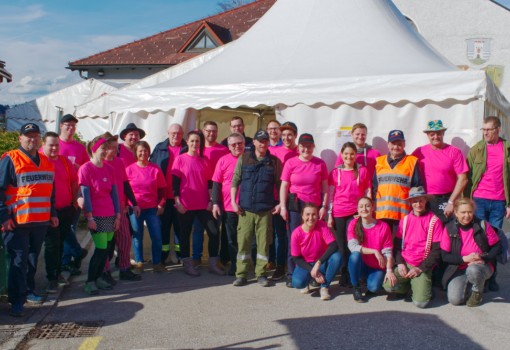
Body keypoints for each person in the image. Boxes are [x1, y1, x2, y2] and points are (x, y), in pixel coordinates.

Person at [0, 123, 58, 317]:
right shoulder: (10, 159)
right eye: (28, 136)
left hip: (40, 221)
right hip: (17, 222)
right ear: (20, 138)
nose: (32, 139)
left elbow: (51, 191)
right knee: (18, 262)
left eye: (35, 136)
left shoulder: (46, 160)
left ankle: (29, 290)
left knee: (32, 259)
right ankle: (16, 301)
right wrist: (4, 217)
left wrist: (53, 214)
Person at [231, 130, 283, 287]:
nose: (263, 143)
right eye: (260, 140)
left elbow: (280, 185)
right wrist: (233, 202)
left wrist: (281, 203)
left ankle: (261, 274)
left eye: (266, 140)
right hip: (245, 210)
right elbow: (235, 181)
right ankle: (241, 274)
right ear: (253, 142)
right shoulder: (244, 158)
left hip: (265, 211)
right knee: (244, 243)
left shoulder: (274, 161)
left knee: (263, 244)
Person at [466, 115, 510, 291]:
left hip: (499, 202)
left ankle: (491, 277)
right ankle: (478, 276)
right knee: (478, 239)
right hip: (479, 201)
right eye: (483, 130)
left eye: (488, 130)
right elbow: (467, 177)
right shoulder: (476, 149)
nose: (485, 133)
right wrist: (467, 201)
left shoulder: (507, 148)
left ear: (498, 129)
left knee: (495, 241)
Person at [280, 133, 329, 287]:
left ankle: (314, 273)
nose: (306, 149)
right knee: (294, 239)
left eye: (309, 146)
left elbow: (325, 188)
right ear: (298, 147)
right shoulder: (290, 163)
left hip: (313, 207)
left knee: (315, 241)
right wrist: (282, 206)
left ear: (313, 147)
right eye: (303, 146)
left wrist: (324, 207)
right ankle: (291, 273)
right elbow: (284, 186)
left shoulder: (320, 164)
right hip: (295, 206)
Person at [172, 130, 224, 276]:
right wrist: (178, 203)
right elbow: (175, 185)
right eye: (192, 141)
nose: (195, 144)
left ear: (201, 143)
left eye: (198, 141)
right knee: (185, 234)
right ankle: (187, 264)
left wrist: (211, 201)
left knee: (214, 232)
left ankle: (213, 263)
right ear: (187, 142)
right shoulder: (180, 159)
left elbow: (209, 184)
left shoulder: (204, 161)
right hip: (186, 205)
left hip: (203, 204)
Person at [383, 186, 443, 308]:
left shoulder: (434, 221)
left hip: (422, 265)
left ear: (426, 201)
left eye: (421, 200)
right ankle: (407, 287)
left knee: (421, 303)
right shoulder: (404, 220)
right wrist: (400, 263)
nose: (418, 204)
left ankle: (422, 286)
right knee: (388, 286)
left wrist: (420, 268)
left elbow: (437, 251)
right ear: (410, 202)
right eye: (415, 201)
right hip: (406, 263)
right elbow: (398, 245)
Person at [79, 135, 121, 295]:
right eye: (103, 148)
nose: (106, 151)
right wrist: (89, 217)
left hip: (110, 214)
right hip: (97, 216)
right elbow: (86, 195)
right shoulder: (86, 169)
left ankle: (97, 279)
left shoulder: (109, 169)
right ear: (94, 149)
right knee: (101, 250)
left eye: (107, 148)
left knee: (107, 250)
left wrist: (117, 215)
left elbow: (115, 195)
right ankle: (90, 281)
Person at [441, 198, 501, 307]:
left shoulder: (482, 225)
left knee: (473, 269)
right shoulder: (449, 228)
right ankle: (475, 283)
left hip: (481, 266)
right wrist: (464, 259)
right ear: (456, 213)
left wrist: (484, 259)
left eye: (469, 212)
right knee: (455, 300)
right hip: (459, 268)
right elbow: (444, 256)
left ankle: (477, 292)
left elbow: (497, 246)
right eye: (463, 212)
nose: (467, 215)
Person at [327, 142, 371, 287]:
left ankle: (355, 274)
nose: (349, 156)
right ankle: (344, 273)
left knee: (353, 244)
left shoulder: (362, 171)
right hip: (339, 213)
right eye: (346, 153)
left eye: (352, 154)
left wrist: (365, 211)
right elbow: (331, 194)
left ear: (356, 155)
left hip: (355, 214)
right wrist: (329, 214)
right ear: (341, 154)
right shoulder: (335, 173)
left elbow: (367, 192)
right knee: (341, 246)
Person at [41, 132, 78, 293]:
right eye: (51, 144)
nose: (55, 147)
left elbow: (74, 181)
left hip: (66, 209)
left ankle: (57, 274)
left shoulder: (64, 161)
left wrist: (74, 202)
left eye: (57, 144)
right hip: (48, 211)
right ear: (43, 145)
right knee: (51, 245)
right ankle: (51, 278)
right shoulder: (40, 161)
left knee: (61, 243)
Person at [412, 120, 468, 223]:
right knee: (427, 232)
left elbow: (463, 179)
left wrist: (451, 202)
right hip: (425, 199)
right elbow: (408, 171)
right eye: (432, 134)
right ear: (427, 135)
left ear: (443, 133)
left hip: (447, 199)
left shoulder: (454, 152)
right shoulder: (419, 152)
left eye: (438, 133)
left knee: (447, 231)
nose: (436, 137)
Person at [103, 133, 141, 281]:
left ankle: (124, 268)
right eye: (109, 148)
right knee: (106, 243)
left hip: (120, 207)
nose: (113, 151)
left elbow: (125, 184)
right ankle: (104, 271)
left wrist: (134, 203)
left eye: (114, 148)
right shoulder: (99, 164)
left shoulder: (119, 162)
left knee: (125, 239)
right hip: (105, 209)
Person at [192, 121, 229, 267]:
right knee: (198, 230)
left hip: (218, 197)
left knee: (215, 230)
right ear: (203, 131)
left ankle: (215, 258)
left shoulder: (223, 150)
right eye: (208, 131)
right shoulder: (197, 149)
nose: (211, 134)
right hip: (199, 196)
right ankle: (196, 257)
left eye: (214, 131)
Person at [126, 141, 167, 273]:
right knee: (137, 235)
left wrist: (161, 204)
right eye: (140, 151)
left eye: (145, 150)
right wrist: (127, 205)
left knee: (156, 236)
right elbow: (125, 190)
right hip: (135, 208)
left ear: (149, 152)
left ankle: (156, 263)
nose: (143, 153)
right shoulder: (129, 169)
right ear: (135, 153)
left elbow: (163, 190)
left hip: (152, 208)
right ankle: (139, 262)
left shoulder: (155, 169)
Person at [373, 130, 422, 234]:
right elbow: (374, 187)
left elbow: (417, 187)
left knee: (399, 247)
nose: (396, 147)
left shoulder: (412, 162)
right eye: (393, 144)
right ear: (388, 144)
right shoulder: (379, 162)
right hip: (382, 214)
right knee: (383, 246)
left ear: (404, 144)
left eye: (399, 144)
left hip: (402, 215)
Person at [347, 197, 395, 303]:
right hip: (361, 264)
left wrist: (389, 270)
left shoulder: (383, 226)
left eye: (367, 206)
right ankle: (356, 287)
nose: (364, 209)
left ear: (373, 207)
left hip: (376, 266)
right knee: (354, 256)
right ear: (358, 209)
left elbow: (387, 251)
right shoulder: (353, 224)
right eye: (361, 206)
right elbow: (353, 246)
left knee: (373, 288)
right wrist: (374, 251)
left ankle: (369, 281)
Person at [58, 114, 89, 277]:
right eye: (68, 125)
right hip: (58, 195)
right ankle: (71, 257)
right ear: (61, 125)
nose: (71, 129)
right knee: (65, 228)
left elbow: (87, 168)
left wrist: (78, 167)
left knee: (70, 227)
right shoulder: (54, 144)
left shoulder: (80, 147)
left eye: (73, 126)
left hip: (75, 193)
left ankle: (68, 261)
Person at [150, 123, 186, 265]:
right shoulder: (160, 148)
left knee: (180, 228)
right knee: (163, 227)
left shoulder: (186, 148)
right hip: (163, 197)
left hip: (181, 197)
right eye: (173, 133)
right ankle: (163, 256)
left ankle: (180, 255)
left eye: (178, 133)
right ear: (168, 133)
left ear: (183, 134)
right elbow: (152, 168)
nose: (175, 136)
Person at [268, 121, 298, 280]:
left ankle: (295, 266)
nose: (286, 138)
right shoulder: (273, 151)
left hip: (294, 199)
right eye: (284, 135)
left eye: (289, 135)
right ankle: (280, 266)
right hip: (275, 197)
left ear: (295, 136)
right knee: (279, 234)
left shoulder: (301, 151)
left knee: (293, 234)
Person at [212, 133, 246, 275]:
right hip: (229, 207)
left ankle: (247, 265)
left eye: (240, 143)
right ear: (229, 146)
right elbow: (216, 184)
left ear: (244, 144)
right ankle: (234, 265)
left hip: (247, 207)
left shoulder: (251, 159)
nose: (237, 146)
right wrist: (214, 203)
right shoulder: (223, 160)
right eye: (234, 144)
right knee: (231, 239)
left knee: (246, 239)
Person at [291, 204, 341, 301]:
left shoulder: (322, 225)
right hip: (306, 264)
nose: (311, 218)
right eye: (307, 214)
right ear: (302, 216)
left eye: (314, 214)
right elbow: (296, 258)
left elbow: (334, 245)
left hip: (321, 262)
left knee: (337, 257)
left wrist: (318, 263)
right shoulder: (296, 233)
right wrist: (312, 270)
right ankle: (307, 281)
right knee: (298, 283)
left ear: (318, 215)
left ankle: (324, 287)